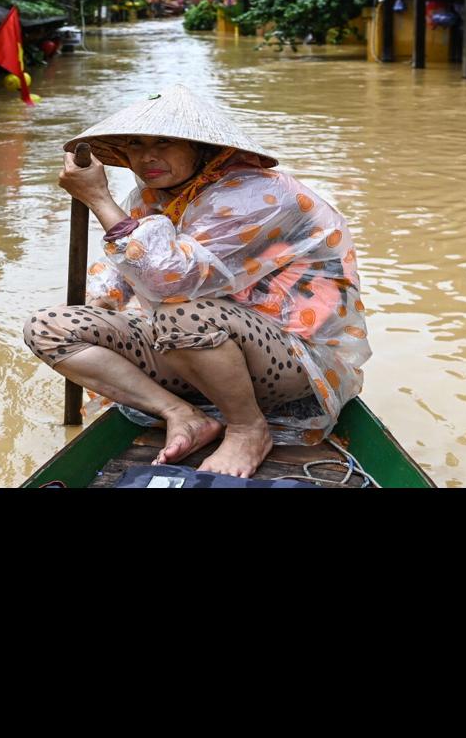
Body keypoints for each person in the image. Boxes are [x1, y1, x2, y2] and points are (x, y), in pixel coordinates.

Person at [23, 86, 371, 477]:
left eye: (165, 142)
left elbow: (169, 281)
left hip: (292, 357)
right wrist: (97, 309)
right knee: (48, 327)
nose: (147, 156)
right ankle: (182, 414)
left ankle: (247, 428)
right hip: (201, 342)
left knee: (181, 312)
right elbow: (122, 274)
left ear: (201, 148)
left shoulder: (256, 193)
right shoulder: (156, 194)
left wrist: (99, 201)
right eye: (136, 144)